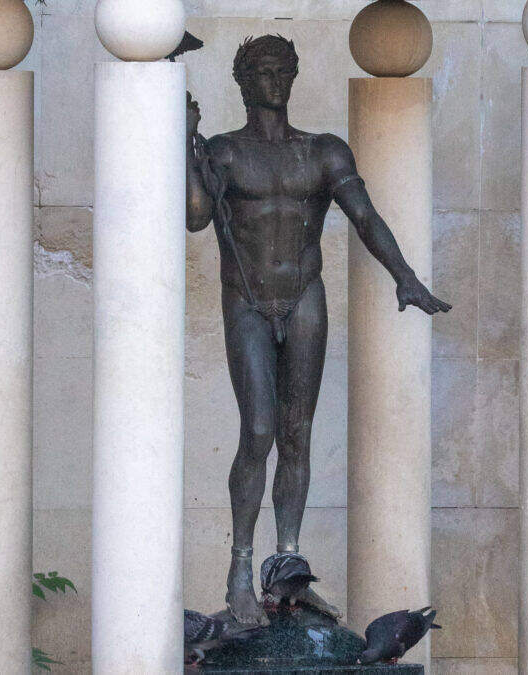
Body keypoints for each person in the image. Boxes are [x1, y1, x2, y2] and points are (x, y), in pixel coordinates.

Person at [186, 34, 451, 625]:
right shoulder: (224, 152)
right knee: (257, 431)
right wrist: (185, 146)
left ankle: (287, 568)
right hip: (249, 300)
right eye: (263, 68)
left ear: (295, 76)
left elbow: (365, 217)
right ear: (243, 80)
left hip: (305, 295)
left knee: (297, 435)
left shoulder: (325, 151)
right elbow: (197, 218)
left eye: (284, 68)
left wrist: (405, 276)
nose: (275, 77)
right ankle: (239, 567)